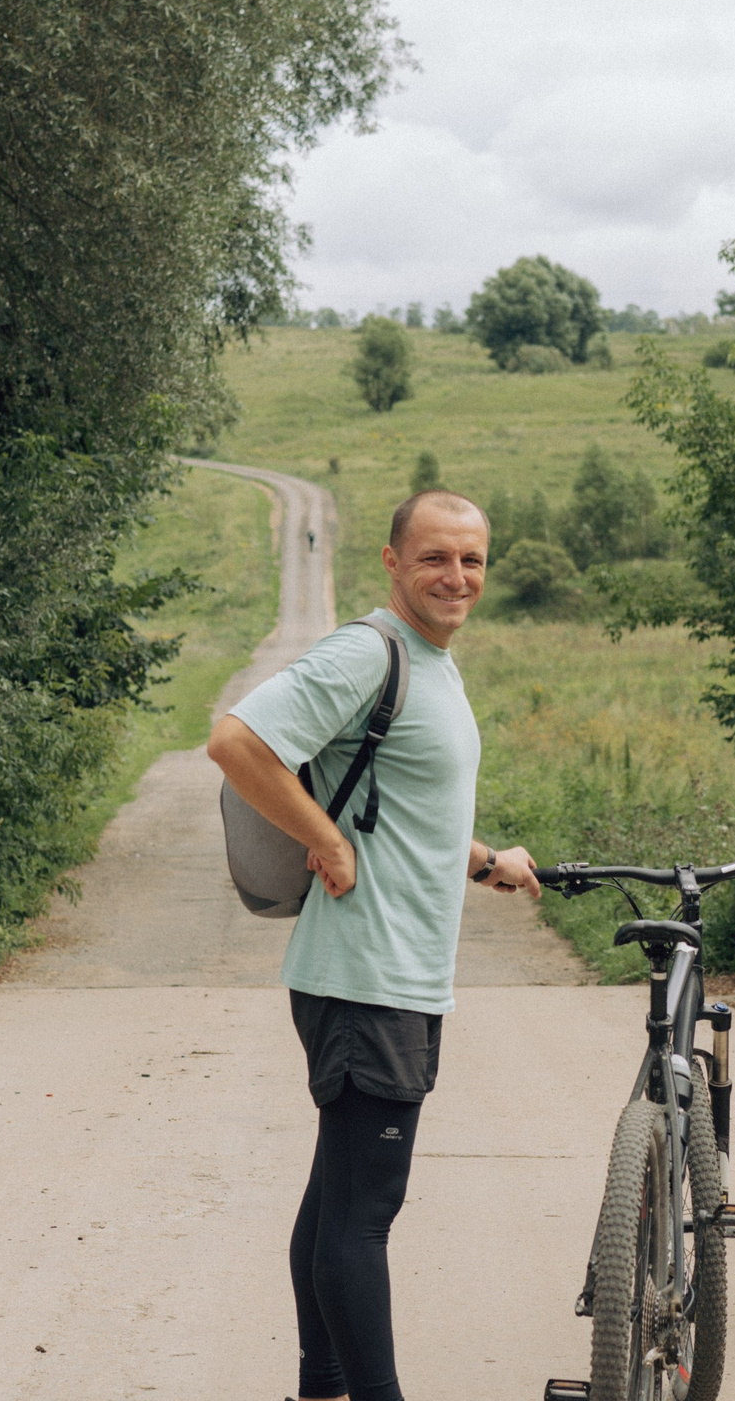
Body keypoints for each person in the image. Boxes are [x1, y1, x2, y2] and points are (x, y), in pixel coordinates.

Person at [207, 489, 542, 1401]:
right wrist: (323, 839)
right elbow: (235, 741)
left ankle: (321, 1388)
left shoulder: (434, 663)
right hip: (367, 973)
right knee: (363, 1216)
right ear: (392, 563)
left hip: (396, 974)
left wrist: (485, 861)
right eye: (436, 557)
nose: (456, 576)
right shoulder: (370, 650)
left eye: (472, 560)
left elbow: (401, 806)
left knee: (334, 1202)